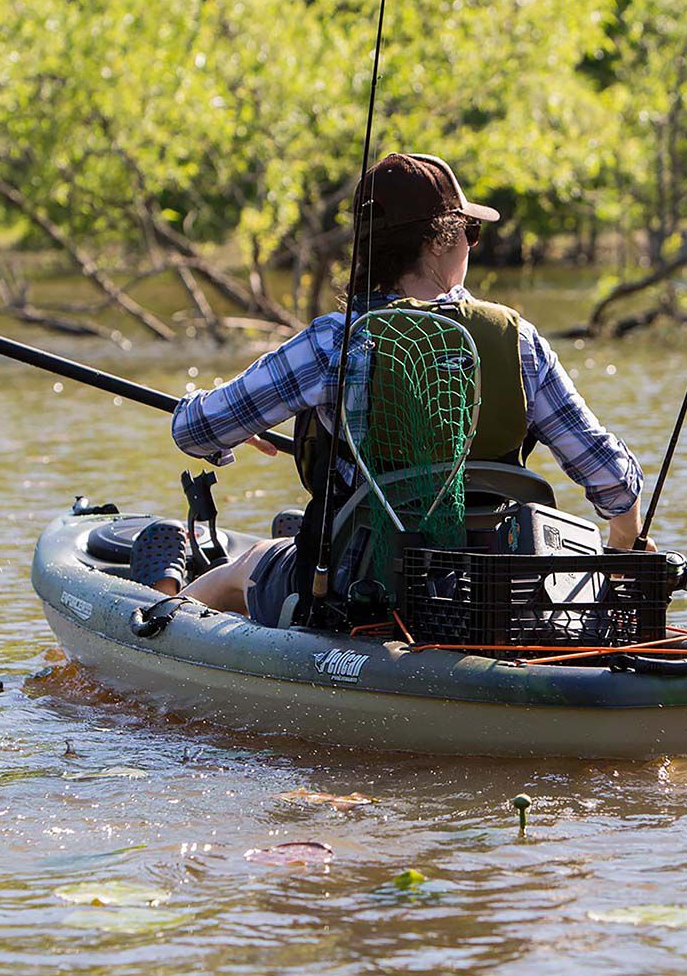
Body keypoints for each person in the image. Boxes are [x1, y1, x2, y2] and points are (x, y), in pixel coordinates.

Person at [134, 153, 652, 624]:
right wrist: (620, 564)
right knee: (293, 536)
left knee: (243, 568)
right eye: (470, 232)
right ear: (438, 240)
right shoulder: (518, 341)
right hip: (498, 589)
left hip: (361, 587)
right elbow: (616, 485)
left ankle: (158, 606)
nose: (472, 244)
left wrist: (233, 430)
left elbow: (194, 431)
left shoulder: (336, 341)